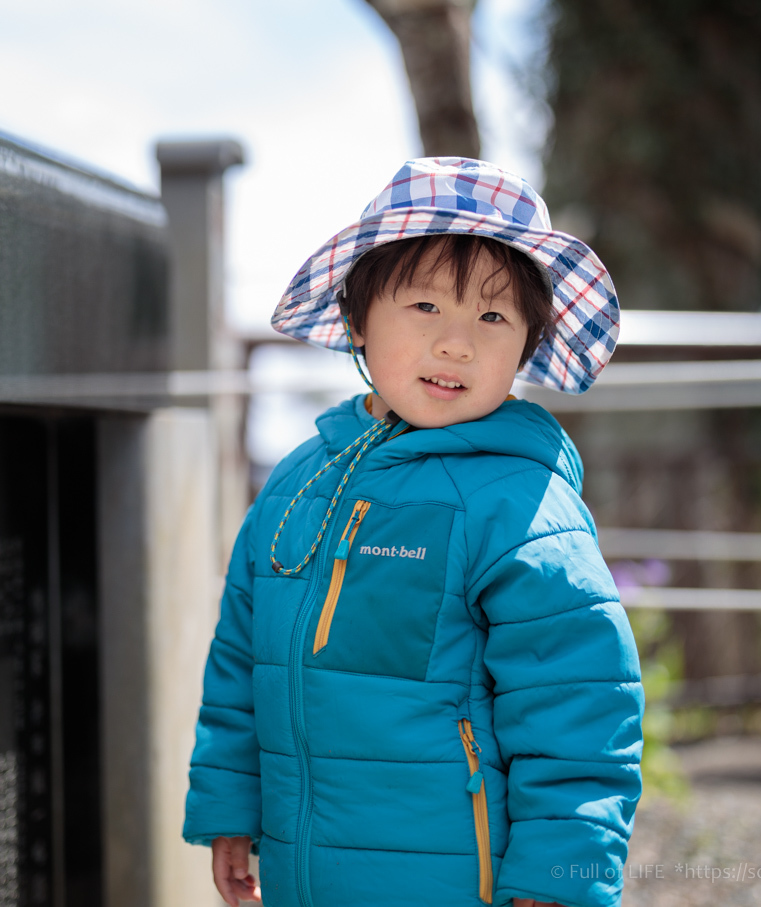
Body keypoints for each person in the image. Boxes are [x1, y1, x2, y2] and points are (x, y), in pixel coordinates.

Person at [183, 157, 642, 907]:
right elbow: (241, 657)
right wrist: (231, 805)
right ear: (359, 319)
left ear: (525, 347)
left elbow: (580, 704)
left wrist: (560, 875)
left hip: (462, 878)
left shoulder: (519, 505)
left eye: (493, 318)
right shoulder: (298, 483)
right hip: (307, 873)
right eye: (425, 306)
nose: (458, 343)